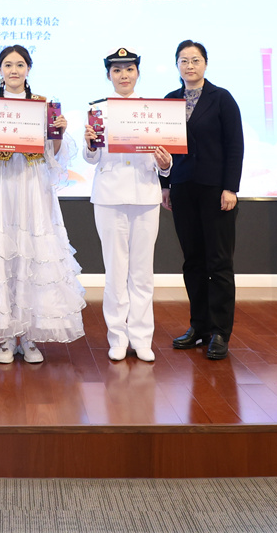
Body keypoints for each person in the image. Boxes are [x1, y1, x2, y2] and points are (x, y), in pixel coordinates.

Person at [0, 44, 85, 364]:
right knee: (3, 255)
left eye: (20, 64)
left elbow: (54, 156)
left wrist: (59, 133)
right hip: (1, 186)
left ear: (28, 69)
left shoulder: (43, 106)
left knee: (32, 255)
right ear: (0, 69)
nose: (13, 70)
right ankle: (8, 337)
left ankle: (31, 336)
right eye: (8, 64)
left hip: (34, 186)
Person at [84, 47, 172, 363]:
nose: (124, 75)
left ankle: (142, 337)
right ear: (109, 75)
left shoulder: (153, 111)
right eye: (117, 70)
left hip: (145, 194)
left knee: (142, 272)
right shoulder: (97, 110)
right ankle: (118, 337)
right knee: (115, 271)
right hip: (109, 196)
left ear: (138, 73)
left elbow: (164, 159)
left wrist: (166, 165)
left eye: (129, 69)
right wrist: (90, 144)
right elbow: (91, 157)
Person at [162, 39, 244, 361]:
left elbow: (235, 145)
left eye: (195, 60)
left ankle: (220, 332)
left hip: (215, 190)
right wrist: (165, 185)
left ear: (205, 63)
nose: (190, 66)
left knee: (219, 262)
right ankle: (199, 327)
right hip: (182, 188)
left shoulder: (222, 98)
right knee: (193, 261)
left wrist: (230, 188)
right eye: (183, 60)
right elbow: (161, 148)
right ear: (177, 65)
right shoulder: (169, 101)